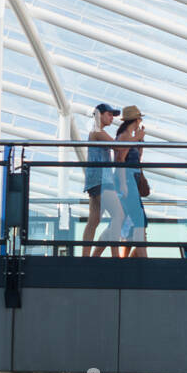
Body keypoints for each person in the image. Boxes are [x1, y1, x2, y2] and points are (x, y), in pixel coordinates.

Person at [83, 103, 124, 259]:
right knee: (118, 215)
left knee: (93, 220)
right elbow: (118, 146)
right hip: (102, 179)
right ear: (99, 114)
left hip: (94, 180)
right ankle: (115, 256)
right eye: (109, 114)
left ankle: (86, 257)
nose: (112, 117)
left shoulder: (95, 132)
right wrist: (134, 138)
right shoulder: (97, 132)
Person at [115, 108, 148, 259]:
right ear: (135, 120)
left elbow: (135, 158)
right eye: (139, 119)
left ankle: (134, 257)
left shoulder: (130, 137)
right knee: (139, 220)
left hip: (131, 179)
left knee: (135, 221)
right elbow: (121, 159)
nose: (140, 122)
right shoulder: (125, 136)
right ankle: (143, 259)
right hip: (127, 180)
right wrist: (123, 184)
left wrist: (139, 141)